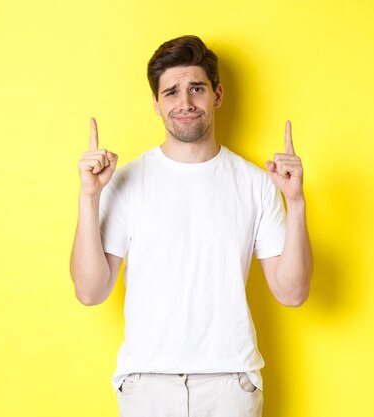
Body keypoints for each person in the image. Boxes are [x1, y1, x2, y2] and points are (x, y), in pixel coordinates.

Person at [70, 35, 312, 417]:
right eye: (171, 92)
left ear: (217, 95)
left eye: (196, 88)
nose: (184, 103)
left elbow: (292, 292)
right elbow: (90, 291)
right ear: (156, 103)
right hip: (146, 383)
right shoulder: (124, 181)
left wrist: (295, 202)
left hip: (230, 383)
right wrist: (89, 197)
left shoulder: (256, 183)